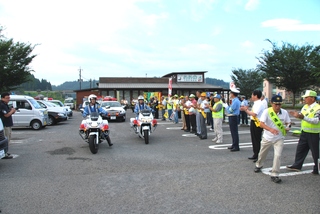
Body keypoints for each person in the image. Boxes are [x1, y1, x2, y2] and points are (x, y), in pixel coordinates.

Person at [254, 95, 291, 183]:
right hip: (267, 137)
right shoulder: (267, 112)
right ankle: (259, 165)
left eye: (279, 104)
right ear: (271, 104)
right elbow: (261, 124)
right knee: (262, 153)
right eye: (275, 104)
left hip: (279, 138)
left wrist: (288, 127)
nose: (277, 106)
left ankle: (275, 174)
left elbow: (288, 122)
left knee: (278, 156)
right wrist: (270, 129)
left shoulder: (284, 112)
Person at [287, 90, 320, 175]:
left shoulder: (318, 108)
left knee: (315, 152)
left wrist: (303, 117)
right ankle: (297, 165)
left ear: (312, 98)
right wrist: (297, 116)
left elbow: (316, 121)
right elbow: (302, 116)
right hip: (304, 132)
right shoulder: (305, 106)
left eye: (306, 97)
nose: (304, 99)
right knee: (300, 150)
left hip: (314, 133)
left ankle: (317, 169)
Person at [242, 90, 266, 161]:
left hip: (257, 123)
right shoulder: (256, 103)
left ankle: (258, 155)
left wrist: (246, 110)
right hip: (254, 122)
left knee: (257, 139)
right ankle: (255, 154)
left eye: (252, 95)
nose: (251, 96)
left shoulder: (259, 104)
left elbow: (254, 114)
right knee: (254, 139)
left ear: (256, 96)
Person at [0, 92, 15, 159]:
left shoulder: (5, 104)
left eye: (9, 98)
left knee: (8, 138)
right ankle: (4, 153)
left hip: (8, 124)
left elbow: (9, 112)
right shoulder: (2, 105)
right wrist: (12, 111)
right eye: (7, 98)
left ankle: (5, 152)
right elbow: (6, 115)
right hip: (5, 125)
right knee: (6, 138)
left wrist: (12, 110)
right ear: (2, 98)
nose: (8, 99)